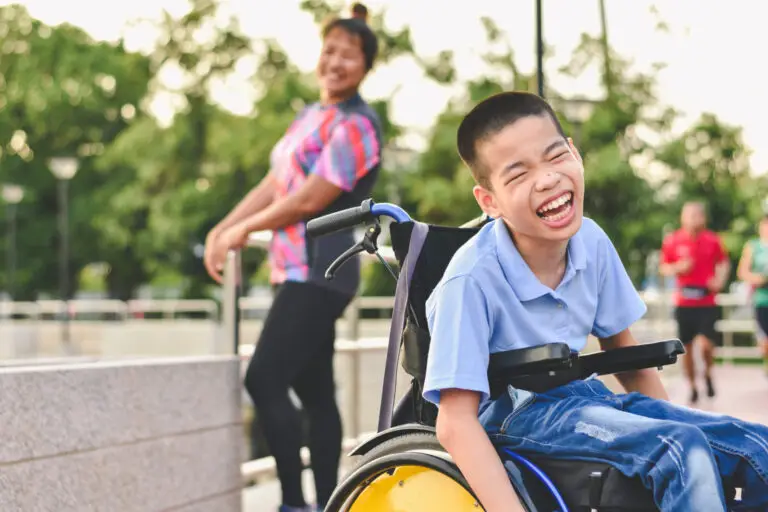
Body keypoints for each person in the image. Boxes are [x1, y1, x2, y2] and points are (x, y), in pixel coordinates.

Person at [422, 91, 768, 512]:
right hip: (517, 412)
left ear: (574, 153)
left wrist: (664, 425)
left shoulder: (590, 240)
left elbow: (626, 355)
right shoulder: (470, 278)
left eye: (555, 157)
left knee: (755, 447)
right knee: (681, 451)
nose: (547, 179)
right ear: (489, 201)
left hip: (586, 398)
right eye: (518, 175)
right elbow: (455, 423)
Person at [203, 5, 381, 511]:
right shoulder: (311, 116)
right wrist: (225, 227)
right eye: (330, 51)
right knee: (316, 390)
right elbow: (275, 184)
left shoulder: (359, 126)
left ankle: (293, 503)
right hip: (295, 270)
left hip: (322, 271)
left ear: (365, 67)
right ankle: (329, 502)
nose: (336, 61)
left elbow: (309, 198)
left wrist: (243, 229)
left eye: (350, 55)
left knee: (263, 378)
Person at [659, 202, 730, 403]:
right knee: (687, 349)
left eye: (696, 215)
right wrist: (678, 267)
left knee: (706, 345)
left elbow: (723, 262)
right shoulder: (673, 240)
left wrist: (720, 280)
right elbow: (663, 267)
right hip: (684, 302)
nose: (692, 219)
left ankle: (707, 372)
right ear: (682, 217)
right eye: (689, 215)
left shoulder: (713, 240)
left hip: (707, 301)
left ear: (703, 218)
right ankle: (692, 386)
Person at [736, 215, 768, 371]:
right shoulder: (753, 246)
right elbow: (742, 272)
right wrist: (759, 279)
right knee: (765, 341)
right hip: (762, 300)